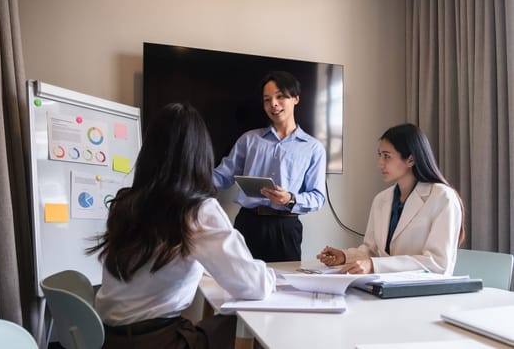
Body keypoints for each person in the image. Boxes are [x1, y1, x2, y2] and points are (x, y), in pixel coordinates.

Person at [87, 103, 276, 349]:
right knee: (250, 328)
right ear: (200, 155)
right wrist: (272, 276)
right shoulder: (197, 210)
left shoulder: (125, 201)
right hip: (154, 342)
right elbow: (255, 286)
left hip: (107, 338)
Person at [317, 123, 465, 275]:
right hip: (384, 289)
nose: (380, 163)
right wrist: (344, 256)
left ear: (411, 160)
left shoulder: (442, 197)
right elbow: (372, 252)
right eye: (380, 155)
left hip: (424, 294)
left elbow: (438, 264)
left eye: (387, 156)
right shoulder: (381, 199)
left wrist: (375, 266)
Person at [213, 71, 327, 262]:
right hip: (248, 223)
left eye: (280, 96)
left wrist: (290, 198)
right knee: (241, 283)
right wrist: (186, 181)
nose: (273, 104)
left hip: (286, 227)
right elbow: (222, 176)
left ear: (296, 98)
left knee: (286, 285)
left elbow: (317, 196)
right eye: (267, 99)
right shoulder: (248, 140)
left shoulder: (313, 148)